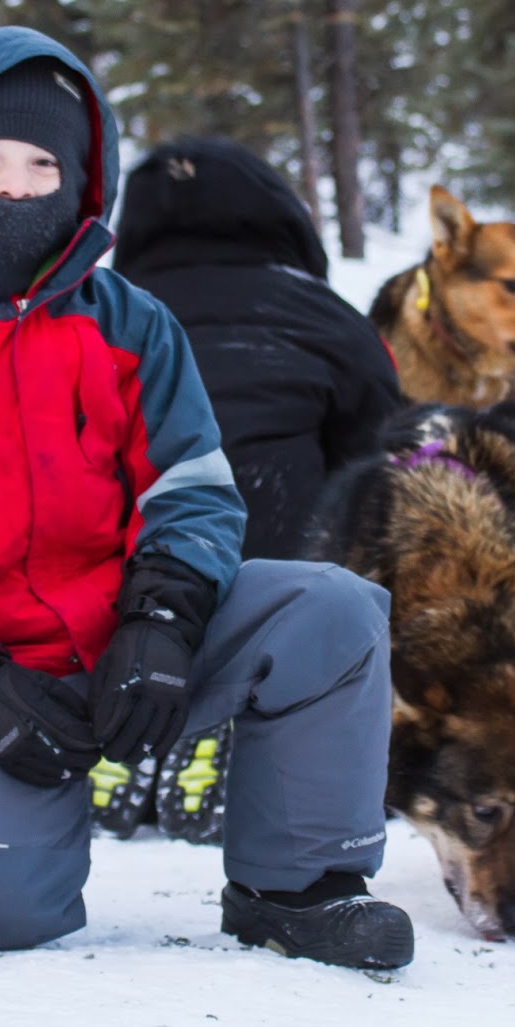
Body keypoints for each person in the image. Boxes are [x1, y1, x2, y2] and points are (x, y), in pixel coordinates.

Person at [0, 25, 413, 970]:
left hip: (139, 635)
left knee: (331, 610)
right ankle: (1, 828)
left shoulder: (134, 323)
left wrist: (165, 615)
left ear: (83, 179)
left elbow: (194, 487)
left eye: (43, 163)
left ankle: (296, 886)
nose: (13, 185)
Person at [92, 136, 404, 841]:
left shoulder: (102, 316)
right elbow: (381, 464)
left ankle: (114, 715)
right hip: (279, 573)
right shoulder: (328, 317)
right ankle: (231, 712)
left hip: (130, 590)